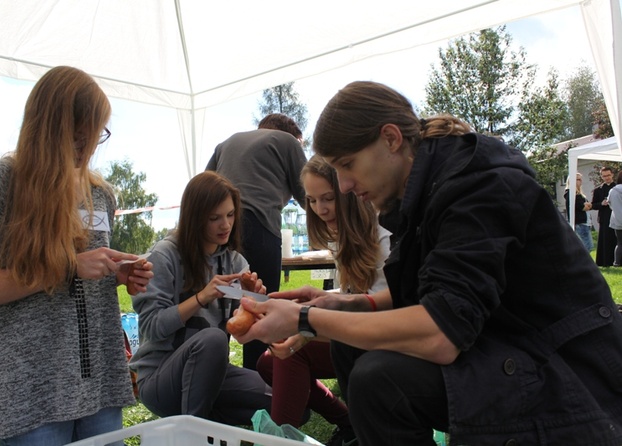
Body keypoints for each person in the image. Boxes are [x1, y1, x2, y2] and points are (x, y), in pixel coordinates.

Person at [233, 81, 622, 446]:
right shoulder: (427, 191)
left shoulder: (477, 185)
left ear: (391, 139)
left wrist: (305, 320)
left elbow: (442, 333)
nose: (345, 185)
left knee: (379, 380)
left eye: (348, 165)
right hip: (507, 346)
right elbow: (434, 295)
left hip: (567, 370)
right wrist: (339, 303)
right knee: (351, 348)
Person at [0, 66, 154, 445]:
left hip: (97, 386)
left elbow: (83, 278)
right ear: (50, 129)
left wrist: (116, 272)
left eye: (96, 136)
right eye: (81, 137)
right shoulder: (3, 184)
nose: (90, 148)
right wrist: (69, 268)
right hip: (30, 394)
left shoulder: (100, 196)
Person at [256, 155, 391, 446]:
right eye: (313, 201)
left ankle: (279, 442)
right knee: (268, 361)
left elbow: (384, 305)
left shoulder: (382, 233)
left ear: (349, 192)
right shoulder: (342, 235)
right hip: (359, 334)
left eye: (328, 198)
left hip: (387, 336)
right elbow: (352, 296)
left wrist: (309, 324)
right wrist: (321, 300)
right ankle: (348, 421)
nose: (321, 209)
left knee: (292, 350)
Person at [129, 171, 272, 425]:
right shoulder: (164, 256)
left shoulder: (235, 262)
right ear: (194, 218)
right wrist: (201, 297)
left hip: (211, 376)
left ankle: (208, 421)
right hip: (160, 377)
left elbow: (245, 332)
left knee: (284, 399)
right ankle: (193, 433)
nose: (226, 225)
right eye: (214, 218)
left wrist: (255, 301)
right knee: (213, 338)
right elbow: (152, 328)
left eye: (230, 215)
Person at [206, 113, 307, 370]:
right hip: (259, 224)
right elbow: (308, 192)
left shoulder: (226, 142)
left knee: (221, 302)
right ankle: (261, 383)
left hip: (218, 226)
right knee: (263, 306)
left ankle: (215, 377)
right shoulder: (288, 141)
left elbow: (204, 186)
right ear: (294, 136)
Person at [592, 166, 617, 266]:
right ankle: (605, 261)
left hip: (617, 216)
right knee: (606, 241)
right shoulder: (598, 190)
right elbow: (593, 205)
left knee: (617, 239)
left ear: (612, 175)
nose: (607, 178)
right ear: (601, 176)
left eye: (608, 175)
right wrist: (601, 204)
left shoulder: (618, 187)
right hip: (604, 217)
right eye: (604, 176)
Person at [564, 172, 593, 251]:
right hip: (579, 223)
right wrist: (586, 205)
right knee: (587, 246)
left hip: (583, 222)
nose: (580, 181)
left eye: (581, 179)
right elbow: (583, 207)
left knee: (587, 246)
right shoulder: (571, 193)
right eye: (578, 179)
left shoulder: (578, 193)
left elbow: (588, 206)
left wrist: (587, 205)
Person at [607, 171, 622, 266]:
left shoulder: (612, 191)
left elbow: (610, 204)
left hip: (617, 220)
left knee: (620, 242)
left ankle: (617, 262)